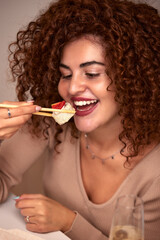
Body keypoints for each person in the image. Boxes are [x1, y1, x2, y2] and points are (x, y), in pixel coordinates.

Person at [0, 0, 160, 239]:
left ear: (133, 78)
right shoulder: (51, 121)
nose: (72, 87)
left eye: (92, 73)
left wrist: (69, 222)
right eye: (65, 74)